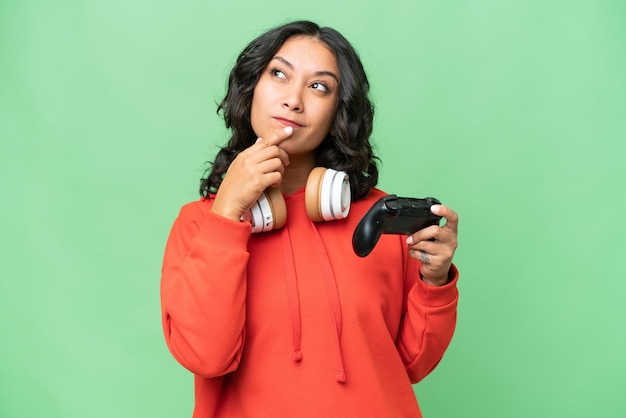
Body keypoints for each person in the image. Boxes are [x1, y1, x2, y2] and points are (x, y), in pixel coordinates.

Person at [161, 20, 459, 418]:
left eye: (319, 86)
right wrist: (227, 216)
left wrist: (434, 282)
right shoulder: (201, 224)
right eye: (279, 74)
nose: (293, 100)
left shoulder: (380, 218)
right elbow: (205, 356)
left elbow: (411, 364)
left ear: (340, 110)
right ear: (251, 88)